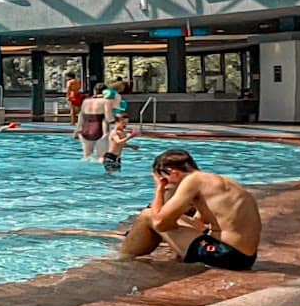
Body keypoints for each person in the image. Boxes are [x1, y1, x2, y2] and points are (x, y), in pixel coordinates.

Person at [119, 148, 261, 270]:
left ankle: (123, 259)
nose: (167, 185)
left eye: (164, 179)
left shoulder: (193, 181)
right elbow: (201, 222)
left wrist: (159, 189)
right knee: (176, 218)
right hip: (244, 256)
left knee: (147, 215)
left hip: (226, 255)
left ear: (173, 172)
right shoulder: (218, 181)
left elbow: (159, 223)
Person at [77, 90, 112, 161]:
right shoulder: (105, 101)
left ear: (95, 91)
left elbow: (80, 116)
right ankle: (101, 172)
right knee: (102, 157)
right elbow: (109, 118)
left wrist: (77, 130)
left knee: (87, 156)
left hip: (85, 128)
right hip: (99, 129)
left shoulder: (85, 101)